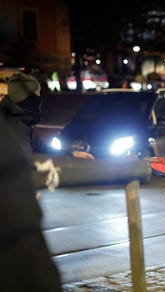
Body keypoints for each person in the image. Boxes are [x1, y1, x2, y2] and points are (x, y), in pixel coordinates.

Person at [0, 99, 62, 290]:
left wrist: (72, 154)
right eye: (35, 94)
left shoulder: (22, 124)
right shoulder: (11, 128)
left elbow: (46, 151)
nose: (39, 98)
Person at [0, 72, 94, 160]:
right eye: (1, 96)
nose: (4, 100)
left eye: (7, 97)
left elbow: (42, 150)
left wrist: (72, 154)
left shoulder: (21, 126)